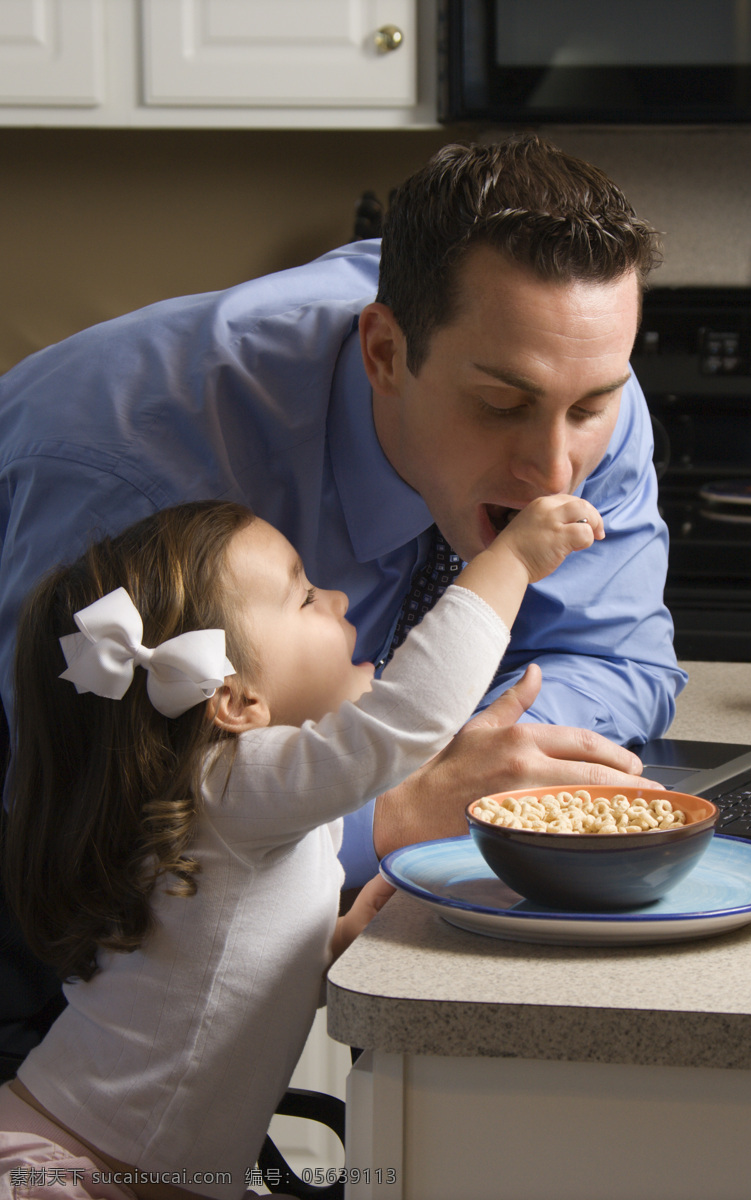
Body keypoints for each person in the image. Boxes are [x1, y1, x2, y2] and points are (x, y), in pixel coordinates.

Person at [0, 134, 687, 1058]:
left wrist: (474, 774)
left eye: (592, 407)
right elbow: (91, 836)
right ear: (385, 352)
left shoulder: (567, 366)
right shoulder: (132, 474)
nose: (555, 467)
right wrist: (398, 810)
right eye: (500, 406)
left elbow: (613, 657)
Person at [0, 488, 604, 1198]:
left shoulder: (237, 800)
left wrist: (333, 945)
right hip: (58, 1168)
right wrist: (511, 560)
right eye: (306, 596)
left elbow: (221, 974)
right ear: (234, 700)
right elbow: (406, 720)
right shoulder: (231, 784)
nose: (341, 598)